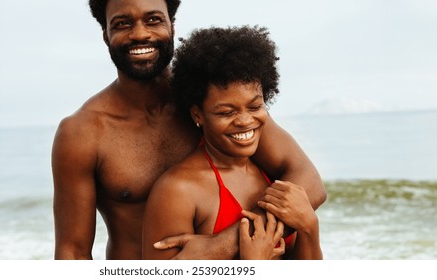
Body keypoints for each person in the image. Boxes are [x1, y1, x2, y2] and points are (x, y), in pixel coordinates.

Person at [52, 0, 325, 260]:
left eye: (153, 20)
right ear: (105, 34)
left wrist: (223, 246)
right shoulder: (82, 133)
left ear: (171, 25)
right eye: (122, 23)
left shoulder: (215, 103)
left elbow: (309, 184)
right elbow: (72, 253)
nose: (139, 34)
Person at [142, 26, 322, 260]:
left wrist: (309, 227)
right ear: (198, 115)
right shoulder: (179, 191)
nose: (246, 121)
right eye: (227, 112)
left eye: (255, 107)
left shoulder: (272, 173)